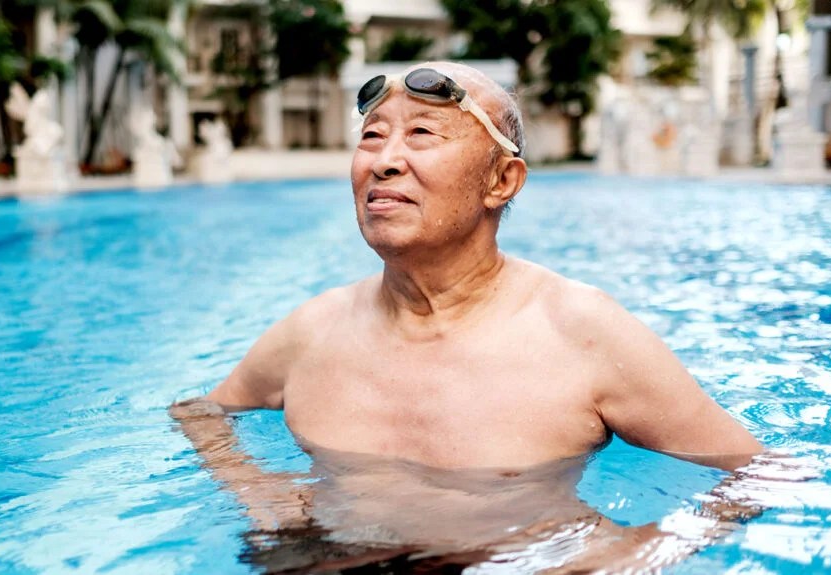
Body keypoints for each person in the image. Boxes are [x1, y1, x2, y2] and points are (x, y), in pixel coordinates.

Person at [172, 61, 765, 572]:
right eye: (372, 137)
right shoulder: (312, 332)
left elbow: (764, 475)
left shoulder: (581, 333)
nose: (384, 162)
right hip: (329, 556)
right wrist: (255, 487)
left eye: (423, 133)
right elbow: (198, 413)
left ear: (500, 180)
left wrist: (645, 552)